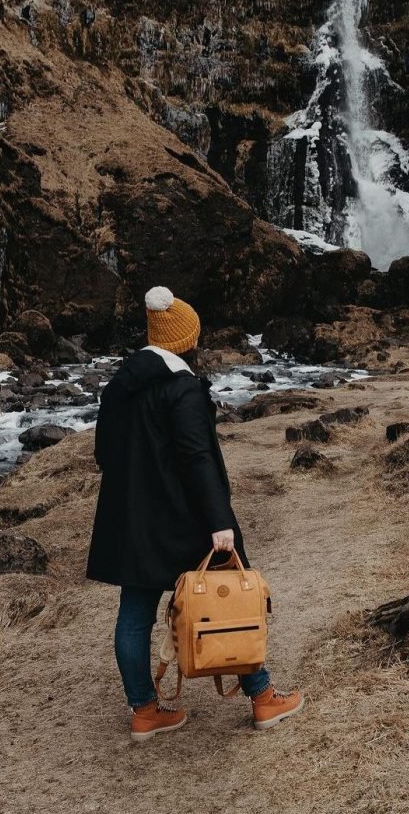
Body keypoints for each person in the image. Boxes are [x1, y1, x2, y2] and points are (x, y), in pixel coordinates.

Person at [85, 285, 303, 739]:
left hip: (134, 519)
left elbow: (104, 452)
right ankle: (262, 697)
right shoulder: (182, 388)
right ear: (187, 340)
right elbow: (196, 458)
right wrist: (219, 521)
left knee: (134, 614)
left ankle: (145, 711)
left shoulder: (121, 387)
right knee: (231, 597)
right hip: (183, 517)